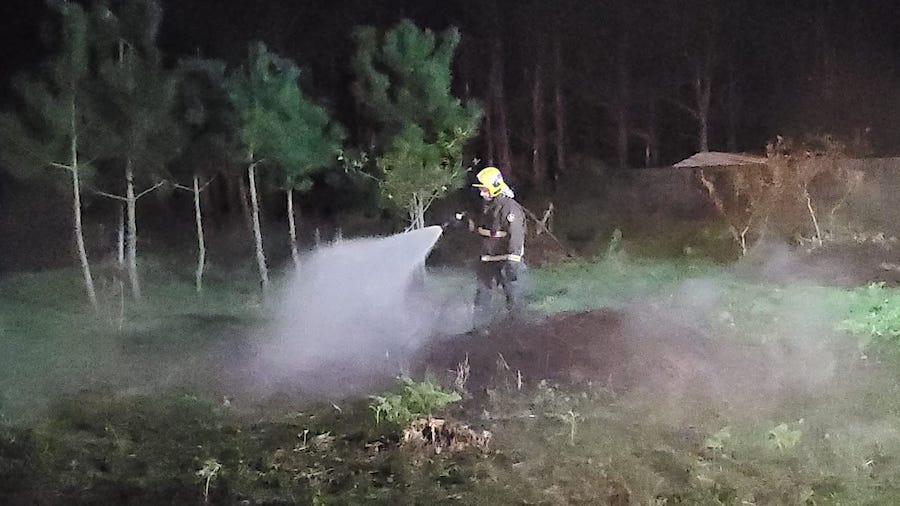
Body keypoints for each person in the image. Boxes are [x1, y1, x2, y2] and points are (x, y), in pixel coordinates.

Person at [470, 166, 527, 330]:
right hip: (488, 260)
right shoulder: (488, 206)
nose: (482, 193)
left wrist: (514, 260)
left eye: (484, 189)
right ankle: (479, 329)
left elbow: (516, 236)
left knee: (513, 295)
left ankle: (520, 330)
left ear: (494, 187)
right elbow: (482, 230)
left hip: (506, 260)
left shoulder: (509, 208)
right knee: (483, 294)